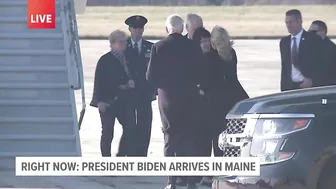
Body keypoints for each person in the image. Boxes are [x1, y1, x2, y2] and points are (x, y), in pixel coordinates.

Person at [146, 14, 204, 189]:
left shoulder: (158, 47)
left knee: (170, 139)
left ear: (167, 29)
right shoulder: (193, 46)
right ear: (182, 29)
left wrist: (162, 88)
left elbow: (149, 76)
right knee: (188, 139)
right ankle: (191, 181)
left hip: (167, 99)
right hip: (189, 98)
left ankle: (172, 181)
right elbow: (200, 72)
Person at [193, 26, 249, 186]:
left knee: (217, 138)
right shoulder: (232, 54)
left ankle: (218, 175)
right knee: (231, 137)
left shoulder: (212, 57)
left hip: (216, 102)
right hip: (233, 99)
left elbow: (207, 82)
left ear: (214, 41)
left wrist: (200, 89)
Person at [90, 30, 136, 157]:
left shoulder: (127, 58)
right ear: (112, 44)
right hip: (108, 101)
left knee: (130, 127)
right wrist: (99, 101)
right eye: (120, 42)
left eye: (125, 42)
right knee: (108, 132)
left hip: (123, 102)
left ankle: (121, 155)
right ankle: (106, 161)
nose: (124, 45)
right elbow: (99, 82)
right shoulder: (105, 60)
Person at [124, 15, 155, 156]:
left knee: (145, 125)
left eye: (141, 28)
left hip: (145, 93)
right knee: (129, 125)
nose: (138, 31)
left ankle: (142, 154)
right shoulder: (124, 46)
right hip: (129, 93)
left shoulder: (151, 47)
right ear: (130, 29)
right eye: (135, 28)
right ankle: (130, 154)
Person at [280, 9, 323, 91]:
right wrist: (283, 89)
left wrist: (312, 80)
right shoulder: (284, 42)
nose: (288, 25)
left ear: (300, 21)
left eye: (291, 22)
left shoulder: (313, 39)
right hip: (290, 87)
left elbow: (320, 64)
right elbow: (285, 68)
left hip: (308, 86)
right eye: (287, 22)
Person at [309, 20, 336, 86]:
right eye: (309, 32)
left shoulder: (332, 49)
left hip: (326, 87)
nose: (310, 34)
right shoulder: (310, 47)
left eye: (313, 32)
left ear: (323, 32)